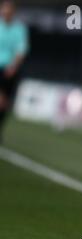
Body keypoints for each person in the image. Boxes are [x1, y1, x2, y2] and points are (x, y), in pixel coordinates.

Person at [0, 0, 28, 143]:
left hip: (8, 70)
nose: (5, 12)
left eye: (8, 9)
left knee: (3, 102)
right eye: (3, 9)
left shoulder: (19, 29)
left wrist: (13, 66)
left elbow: (21, 50)